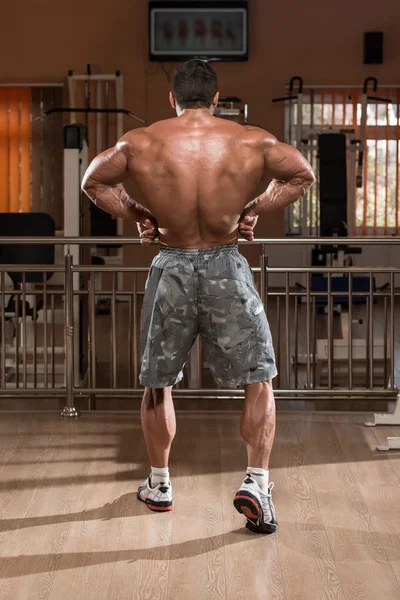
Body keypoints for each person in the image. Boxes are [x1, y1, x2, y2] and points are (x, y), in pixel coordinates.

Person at [82, 60, 315, 534]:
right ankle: (256, 481)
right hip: (227, 263)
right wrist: (255, 207)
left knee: (158, 382)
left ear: (172, 98)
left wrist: (138, 214)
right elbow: (301, 175)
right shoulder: (250, 140)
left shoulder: (140, 142)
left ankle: (161, 483)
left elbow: (93, 181)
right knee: (258, 378)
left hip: (171, 264)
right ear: (215, 99)